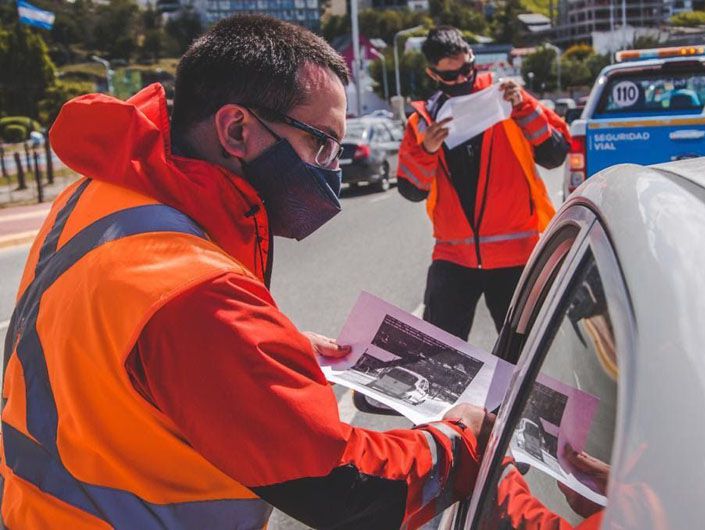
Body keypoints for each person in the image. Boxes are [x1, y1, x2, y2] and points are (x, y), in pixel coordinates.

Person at [0, 16, 494, 529]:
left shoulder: (95, 196)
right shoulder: (194, 293)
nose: (331, 169)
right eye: (321, 144)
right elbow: (346, 488)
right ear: (237, 128)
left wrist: (256, 349)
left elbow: (104, 348)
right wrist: (458, 443)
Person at [397, 26, 570, 341]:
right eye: (450, 76)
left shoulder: (506, 97)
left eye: (466, 69)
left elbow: (555, 154)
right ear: (431, 73)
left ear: (472, 58)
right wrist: (427, 151)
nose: (462, 79)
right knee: (439, 354)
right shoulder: (423, 121)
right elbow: (411, 189)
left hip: (516, 254)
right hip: (454, 257)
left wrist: (523, 108)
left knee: (525, 353)